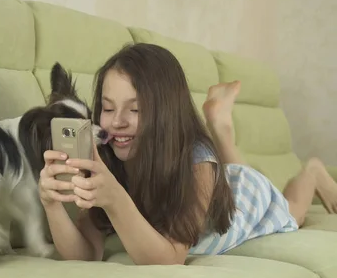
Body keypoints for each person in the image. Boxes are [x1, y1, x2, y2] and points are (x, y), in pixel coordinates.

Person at [38, 43, 337, 265]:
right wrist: (52, 205)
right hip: (214, 179)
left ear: (166, 114)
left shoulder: (197, 161)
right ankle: (220, 124)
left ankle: (312, 172)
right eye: (107, 107)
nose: (117, 122)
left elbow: (169, 259)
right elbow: (86, 253)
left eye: (136, 109)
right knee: (224, 165)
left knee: (294, 211)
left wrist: (115, 199)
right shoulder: (106, 156)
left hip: (240, 195)